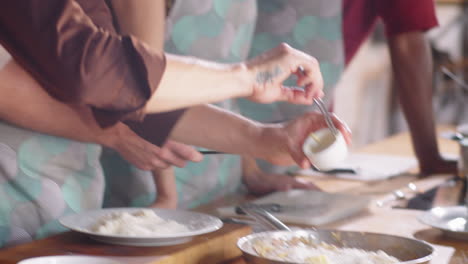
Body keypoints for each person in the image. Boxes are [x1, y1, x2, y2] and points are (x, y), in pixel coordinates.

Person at [0, 1, 349, 246]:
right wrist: (247, 77)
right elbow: (94, 68)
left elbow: (129, 88)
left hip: (69, 201)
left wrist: (265, 139)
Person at [135, 0, 456, 209]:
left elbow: (232, 56)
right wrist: (166, 197)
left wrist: (250, 166)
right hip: (144, 171)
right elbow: (141, 86)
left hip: (220, 167)